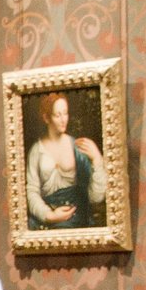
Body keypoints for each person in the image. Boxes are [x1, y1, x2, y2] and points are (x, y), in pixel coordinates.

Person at [25, 92, 107, 229]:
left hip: (77, 217)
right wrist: (49, 215)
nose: (64, 119)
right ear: (46, 118)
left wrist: (97, 159)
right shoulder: (36, 150)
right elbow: (31, 191)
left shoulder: (78, 147)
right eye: (58, 115)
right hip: (44, 220)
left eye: (65, 113)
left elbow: (95, 197)